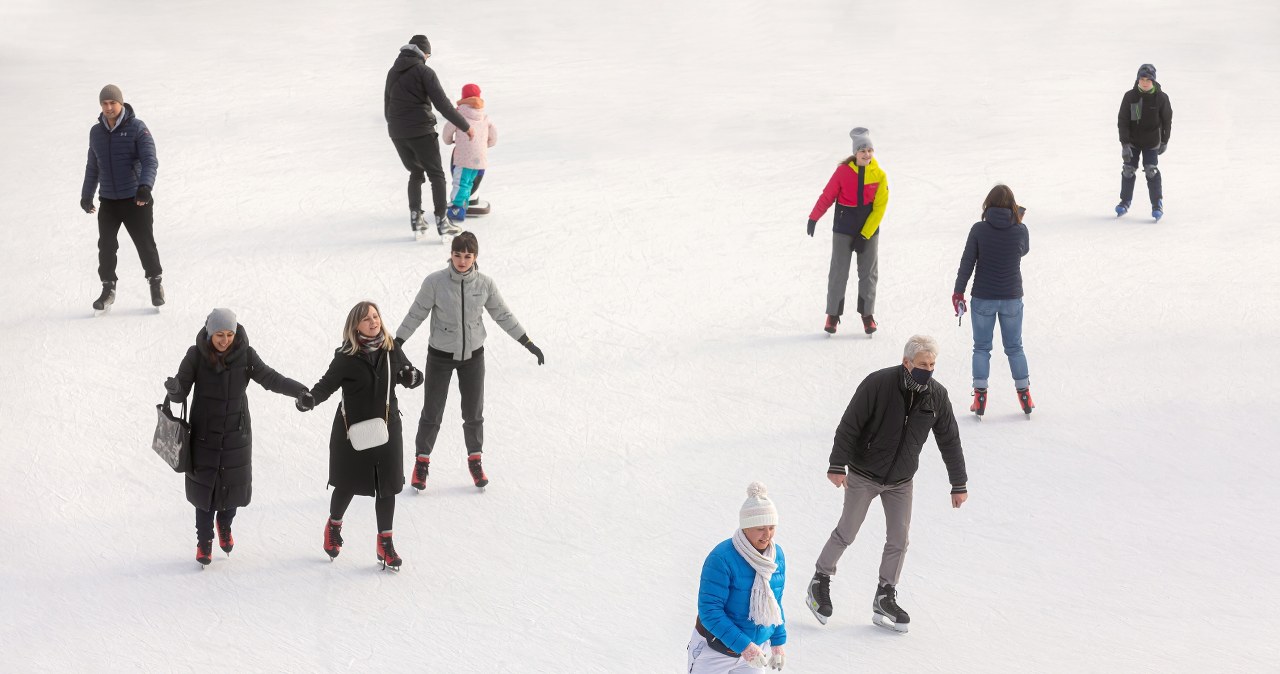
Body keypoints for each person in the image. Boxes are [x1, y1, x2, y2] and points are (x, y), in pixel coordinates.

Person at [806, 335, 968, 633]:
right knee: (848, 530)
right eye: (922, 364)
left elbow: (949, 440)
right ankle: (820, 580)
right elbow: (850, 424)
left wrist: (958, 483)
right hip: (864, 473)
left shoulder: (937, 396)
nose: (928, 370)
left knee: (899, 539)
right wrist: (836, 464)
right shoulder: (878, 384)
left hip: (901, 481)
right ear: (907, 363)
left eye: (932, 365)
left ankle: (885, 594)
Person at [394, 232, 544, 491]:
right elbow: (416, 313)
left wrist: (526, 341)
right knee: (432, 412)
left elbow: (503, 314)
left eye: (467, 256)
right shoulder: (435, 283)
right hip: (440, 356)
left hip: (473, 358)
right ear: (450, 255)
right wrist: (397, 343)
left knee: (473, 413)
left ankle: (475, 460)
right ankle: (422, 462)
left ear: (475, 257)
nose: (461, 261)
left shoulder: (484, 284)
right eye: (457, 255)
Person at [163, 309, 308, 566]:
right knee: (204, 493)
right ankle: (204, 541)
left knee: (233, 489)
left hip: (235, 435)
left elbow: (270, 378)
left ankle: (225, 525)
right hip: (203, 436)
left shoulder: (245, 355)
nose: (225, 340)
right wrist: (174, 390)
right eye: (219, 334)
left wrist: (299, 391)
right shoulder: (195, 355)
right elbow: (181, 392)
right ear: (210, 333)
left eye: (229, 334)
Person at [296, 302, 423, 570]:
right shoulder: (346, 357)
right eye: (367, 319)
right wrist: (309, 399)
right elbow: (325, 386)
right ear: (356, 325)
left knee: (387, 486)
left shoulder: (390, 350)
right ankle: (334, 524)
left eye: (375, 316)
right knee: (348, 484)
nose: (373, 322)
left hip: (387, 429)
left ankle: (385, 544)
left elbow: (412, 375)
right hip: (352, 432)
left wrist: (412, 376)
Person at [81, 84, 164, 312]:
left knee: (144, 244)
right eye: (104, 103)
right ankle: (108, 289)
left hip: (136, 198)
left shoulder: (137, 128)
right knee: (106, 246)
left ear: (121, 103)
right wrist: (87, 195)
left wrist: (145, 187)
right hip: (108, 199)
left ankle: (155, 282)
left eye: (112, 103)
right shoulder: (96, 132)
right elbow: (93, 166)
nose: (108, 107)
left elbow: (150, 160)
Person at [687, 482, 787, 673]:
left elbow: (775, 603)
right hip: (714, 652)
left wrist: (777, 641)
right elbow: (710, 611)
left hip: (756, 651)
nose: (767, 535)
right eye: (760, 528)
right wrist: (745, 647)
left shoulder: (776, 556)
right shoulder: (721, 558)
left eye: (771, 527)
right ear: (746, 527)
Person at [952, 185, 1033, 416]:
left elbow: (967, 262)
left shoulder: (979, 229)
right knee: (1015, 347)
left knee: (981, 348)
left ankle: (979, 397)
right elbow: (1023, 251)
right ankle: (1024, 394)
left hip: (983, 297)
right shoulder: (1020, 230)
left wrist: (958, 292)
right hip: (1011, 298)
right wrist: (1018, 221)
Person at [385, 34, 475, 239]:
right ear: (423, 52)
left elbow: (386, 103)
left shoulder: (393, 72)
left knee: (416, 173)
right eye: (428, 54)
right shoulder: (424, 71)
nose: (427, 58)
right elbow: (442, 104)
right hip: (420, 130)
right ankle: (443, 222)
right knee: (436, 175)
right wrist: (465, 126)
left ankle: (416, 218)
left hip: (397, 133)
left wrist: (395, 127)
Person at [807, 127, 889, 336]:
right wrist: (814, 217)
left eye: (869, 150)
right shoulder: (843, 172)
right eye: (862, 150)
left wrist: (865, 235)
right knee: (838, 272)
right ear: (855, 152)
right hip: (844, 227)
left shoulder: (879, 175)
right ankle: (833, 315)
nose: (866, 154)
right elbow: (828, 195)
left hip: (868, 229)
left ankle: (867, 315)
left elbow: (880, 208)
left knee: (868, 274)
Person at [1115, 63, 1172, 220]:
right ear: (1138, 80)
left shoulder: (1161, 98)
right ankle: (1124, 201)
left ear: (1153, 81)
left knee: (1151, 170)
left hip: (1152, 141)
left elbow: (1167, 120)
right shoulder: (1130, 96)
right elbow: (1123, 121)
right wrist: (1125, 144)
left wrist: (1165, 140)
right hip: (1133, 141)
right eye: (1142, 79)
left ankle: (1157, 203)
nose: (1145, 82)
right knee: (1128, 170)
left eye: (1148, 79)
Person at [442, 83, 497, 225]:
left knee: (461, 182)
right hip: (481, 160)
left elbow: (446, 134)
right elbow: (493, 138)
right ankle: (468, 200)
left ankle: (457, 208)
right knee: (470, 181)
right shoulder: (485, 116)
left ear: (463, 97)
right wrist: (484, 145)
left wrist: (450, 141)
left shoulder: (458, 114)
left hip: (464, 158)